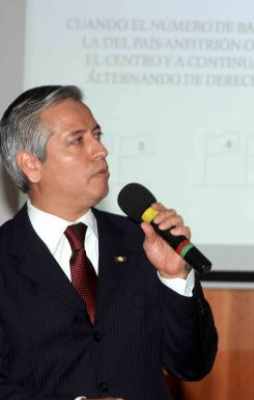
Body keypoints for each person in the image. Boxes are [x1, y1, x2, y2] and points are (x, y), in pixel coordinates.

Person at [0, 85, 218, 400]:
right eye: (78, 140)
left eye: (97, 135)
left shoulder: (143, 242)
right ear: (31, 164)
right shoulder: (5, 257)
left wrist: (174, 277)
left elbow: (192, 366)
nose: (100, 150)